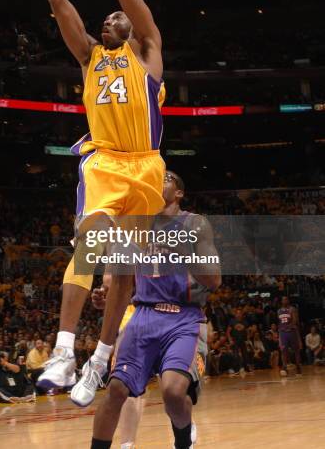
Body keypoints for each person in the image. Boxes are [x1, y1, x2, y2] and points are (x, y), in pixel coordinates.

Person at [31, 0, 165, 397]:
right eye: (106, 16)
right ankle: (64, 351)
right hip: (105, 162)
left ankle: (100, 360)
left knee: (123, 270)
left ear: (133, 26)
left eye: (117, 16)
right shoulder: (88, 56)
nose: (111, 16)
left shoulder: (148, 49)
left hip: (148, 168)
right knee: (89, 242)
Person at [90, 171, 221, 448]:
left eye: (167, 178)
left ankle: (183, 441)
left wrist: (184, 251)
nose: (158, 180)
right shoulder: (136, 225)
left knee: (173, 393)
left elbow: (214, 278)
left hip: (183, 317)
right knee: (115, 390)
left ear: (179, 193)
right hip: (144, 315)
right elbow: (115, 278)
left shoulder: (195, 224)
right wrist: (105, 295)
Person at [277, 296, 302, 376]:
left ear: (288, 300)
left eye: (286, 299)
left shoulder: (292, 309)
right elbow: (280, 323)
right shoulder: (279, 311)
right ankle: (284, 367)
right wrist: (280, 331)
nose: (284, 300)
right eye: (283, 299)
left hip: (292, 332)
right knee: (283, 351)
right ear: (281, 301)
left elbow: (295, 321)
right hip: (283, 333)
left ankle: (298, 367)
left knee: (296, 350)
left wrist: (288, 326)